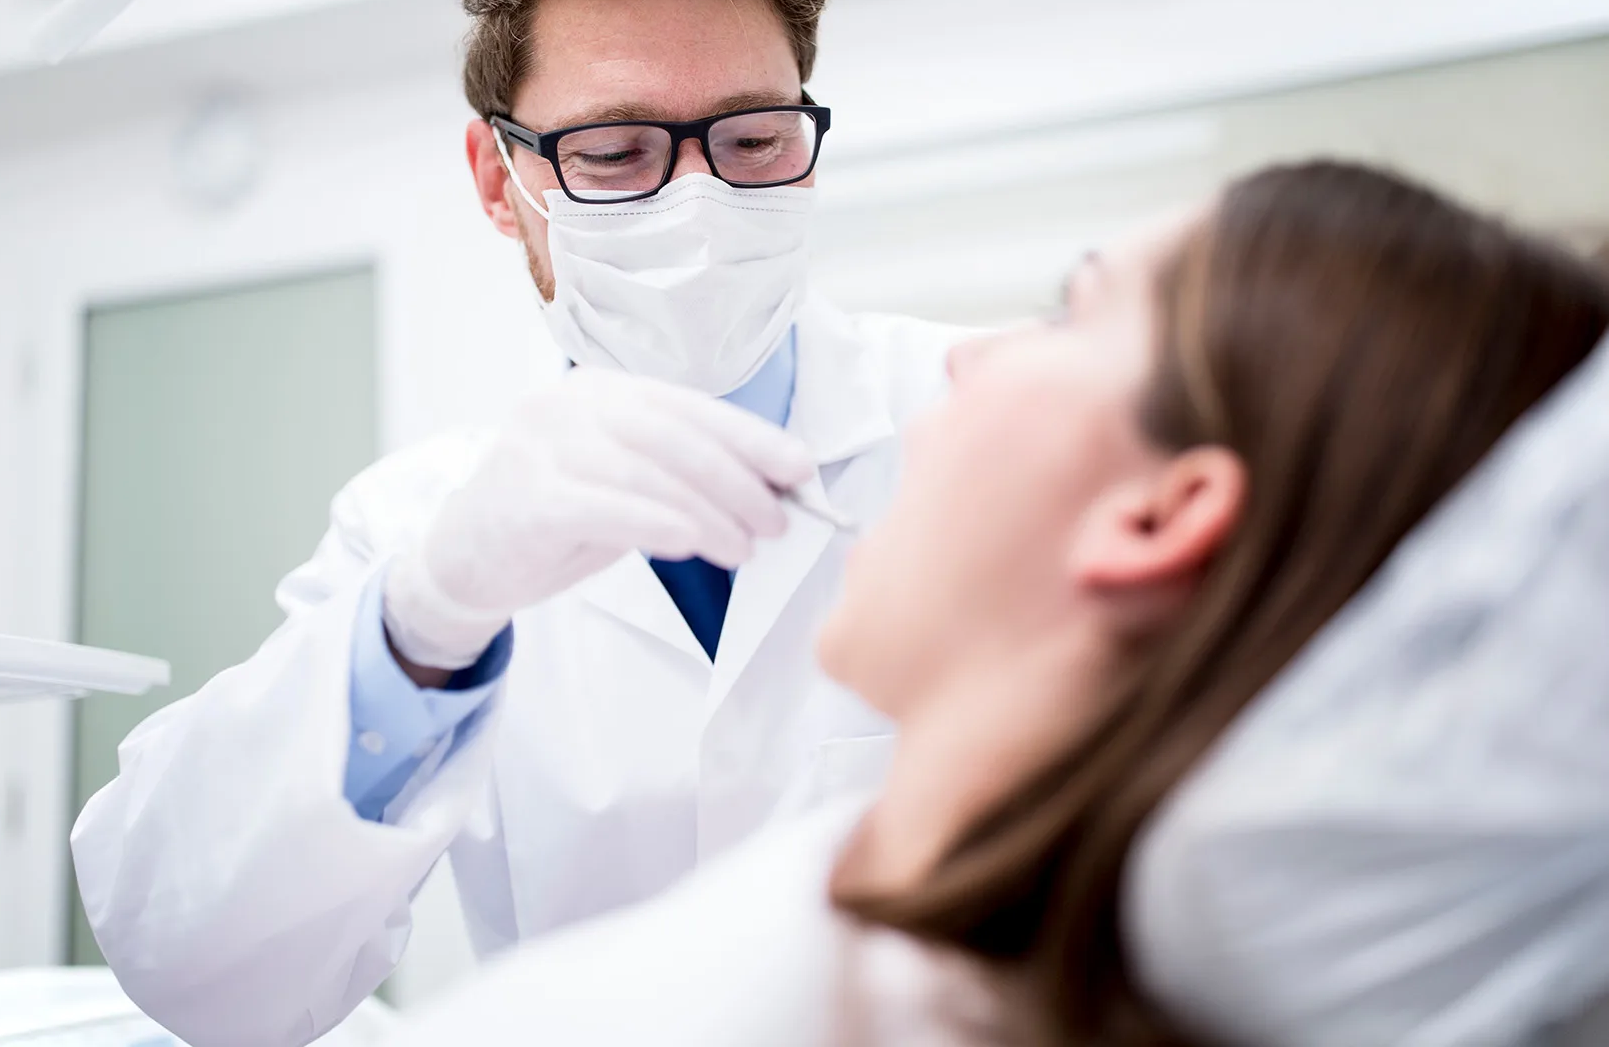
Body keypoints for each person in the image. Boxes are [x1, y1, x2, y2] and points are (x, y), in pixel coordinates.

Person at [373, 160, 1609, 1047]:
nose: (967, 356)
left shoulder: (818, 1002)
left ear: (1159, 517)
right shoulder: (864, 916)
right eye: (618, 153)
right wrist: (415, 622)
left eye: (1074, 311)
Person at [69, 0, 964, 1047]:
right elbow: (188, 964)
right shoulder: (421, 530)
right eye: (613, 155)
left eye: (752, 141)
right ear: (502, 182)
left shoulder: (983, 419)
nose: (697, 204)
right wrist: (425, 624)